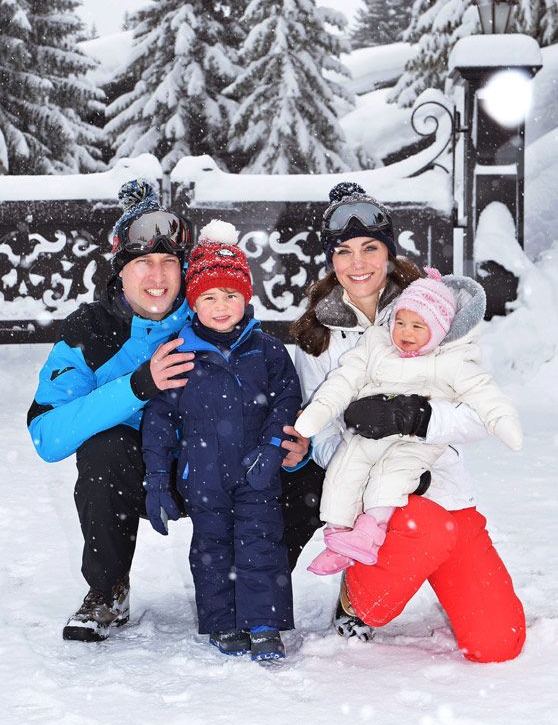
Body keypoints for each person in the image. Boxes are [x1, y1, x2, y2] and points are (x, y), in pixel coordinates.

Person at [27, 180, 308, 643]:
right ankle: (108, 589)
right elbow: (47, 437)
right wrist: (139, 385)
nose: (156, 277)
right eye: (142, 263)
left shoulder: (214, 313)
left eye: (168, 263)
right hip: (149, 473)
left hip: (230, 465)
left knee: (303, 467)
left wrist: (295, 445)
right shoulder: (89, 331)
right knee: (104, 449)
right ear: (120, 270)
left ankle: (254, 580)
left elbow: (277, 391)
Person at [290, 181, 525, 661]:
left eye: (370, 248)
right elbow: (321, 436)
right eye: (345, 252)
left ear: (389, 253)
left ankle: (423, 565)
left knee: (498, 643)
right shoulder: (320, 336)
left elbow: (481, 413)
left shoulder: (435, 310)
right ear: (331, 261)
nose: (358, 264)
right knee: (412, 549)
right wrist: (373, 459)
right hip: (379, 498)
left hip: (448, 489)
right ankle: (357, 599)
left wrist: (419, 418)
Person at [141, 221, 302, 661]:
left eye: (231, 295)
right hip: (204, 476)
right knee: (211, 550)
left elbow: (287, 400)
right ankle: (224, 621)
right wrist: (158, 476)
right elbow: (158, 418)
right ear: (193, 301)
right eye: (209, 297)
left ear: (246, 297)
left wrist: (272, 447)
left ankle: (265, 624)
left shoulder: (267, 350)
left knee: (261, 544)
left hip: (256, 470)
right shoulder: (179, 352)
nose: (221, 306)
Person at [295, 268, 522, 574]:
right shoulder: (377, 347)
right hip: (366, 436)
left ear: (439, 330)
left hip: (416, 448)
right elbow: (342, 380)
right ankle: (338, 537)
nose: (406, 332)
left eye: (418, 326)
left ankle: (368, 531)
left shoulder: (450, 360)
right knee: (343, 470)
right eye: (400, 322)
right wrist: (320, 412)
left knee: (389, 477)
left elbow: (484, 398)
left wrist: (418, 417)